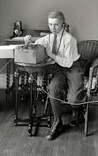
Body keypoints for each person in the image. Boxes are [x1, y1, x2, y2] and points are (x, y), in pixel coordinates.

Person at [35, 11, 86, 140]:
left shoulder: (69, 39)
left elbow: (68, 63)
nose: (53, 28)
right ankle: (58, 122)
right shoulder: (50, 37)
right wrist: (30, 40)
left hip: (72, 67)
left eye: (56, 25)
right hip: (60, 69)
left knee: (74, 99)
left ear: (63, 24)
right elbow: (39, 42)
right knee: (53, 88)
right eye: (50, 25)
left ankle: (77, 109)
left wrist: (51, 55)